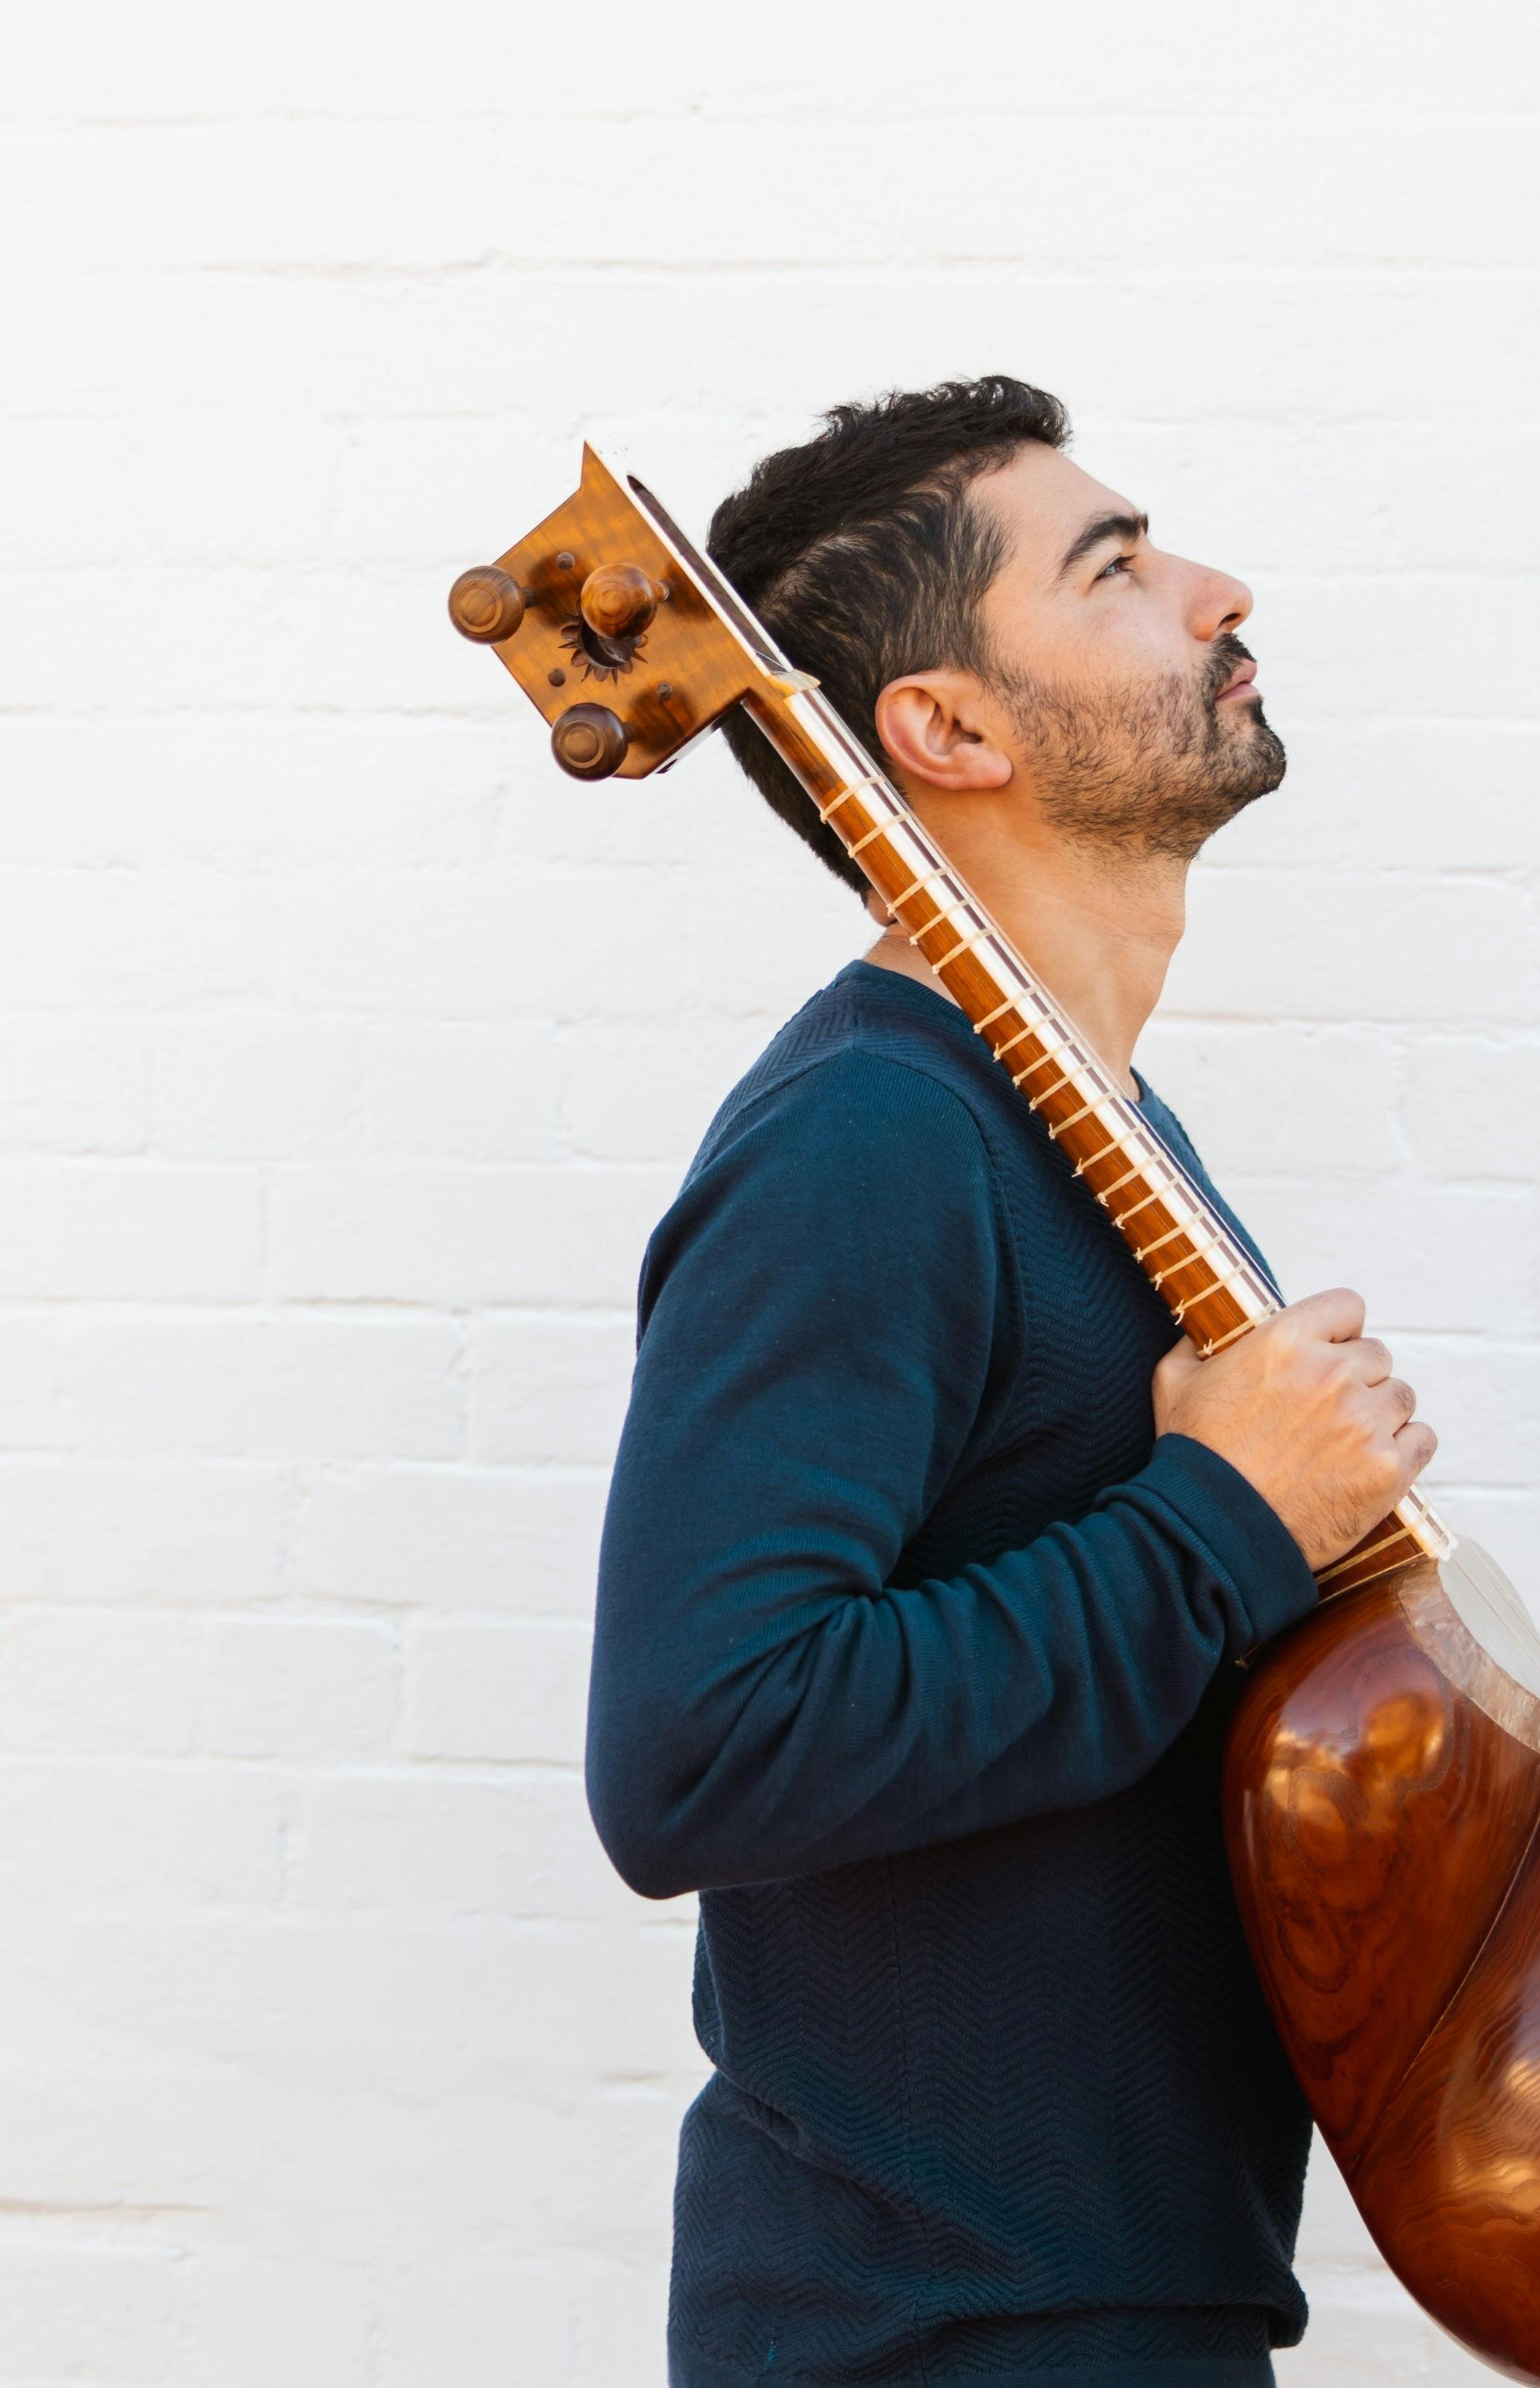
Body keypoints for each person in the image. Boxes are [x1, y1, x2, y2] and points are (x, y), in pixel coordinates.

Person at [584, 377, 1436, 2388]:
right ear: (946, 729)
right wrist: (1222, 1521)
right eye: (1118, 569)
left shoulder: (1093, 1132)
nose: (1219, 590)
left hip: (1120, 2306)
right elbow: (698, 1752)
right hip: (938, 2340)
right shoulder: (871, 1134)